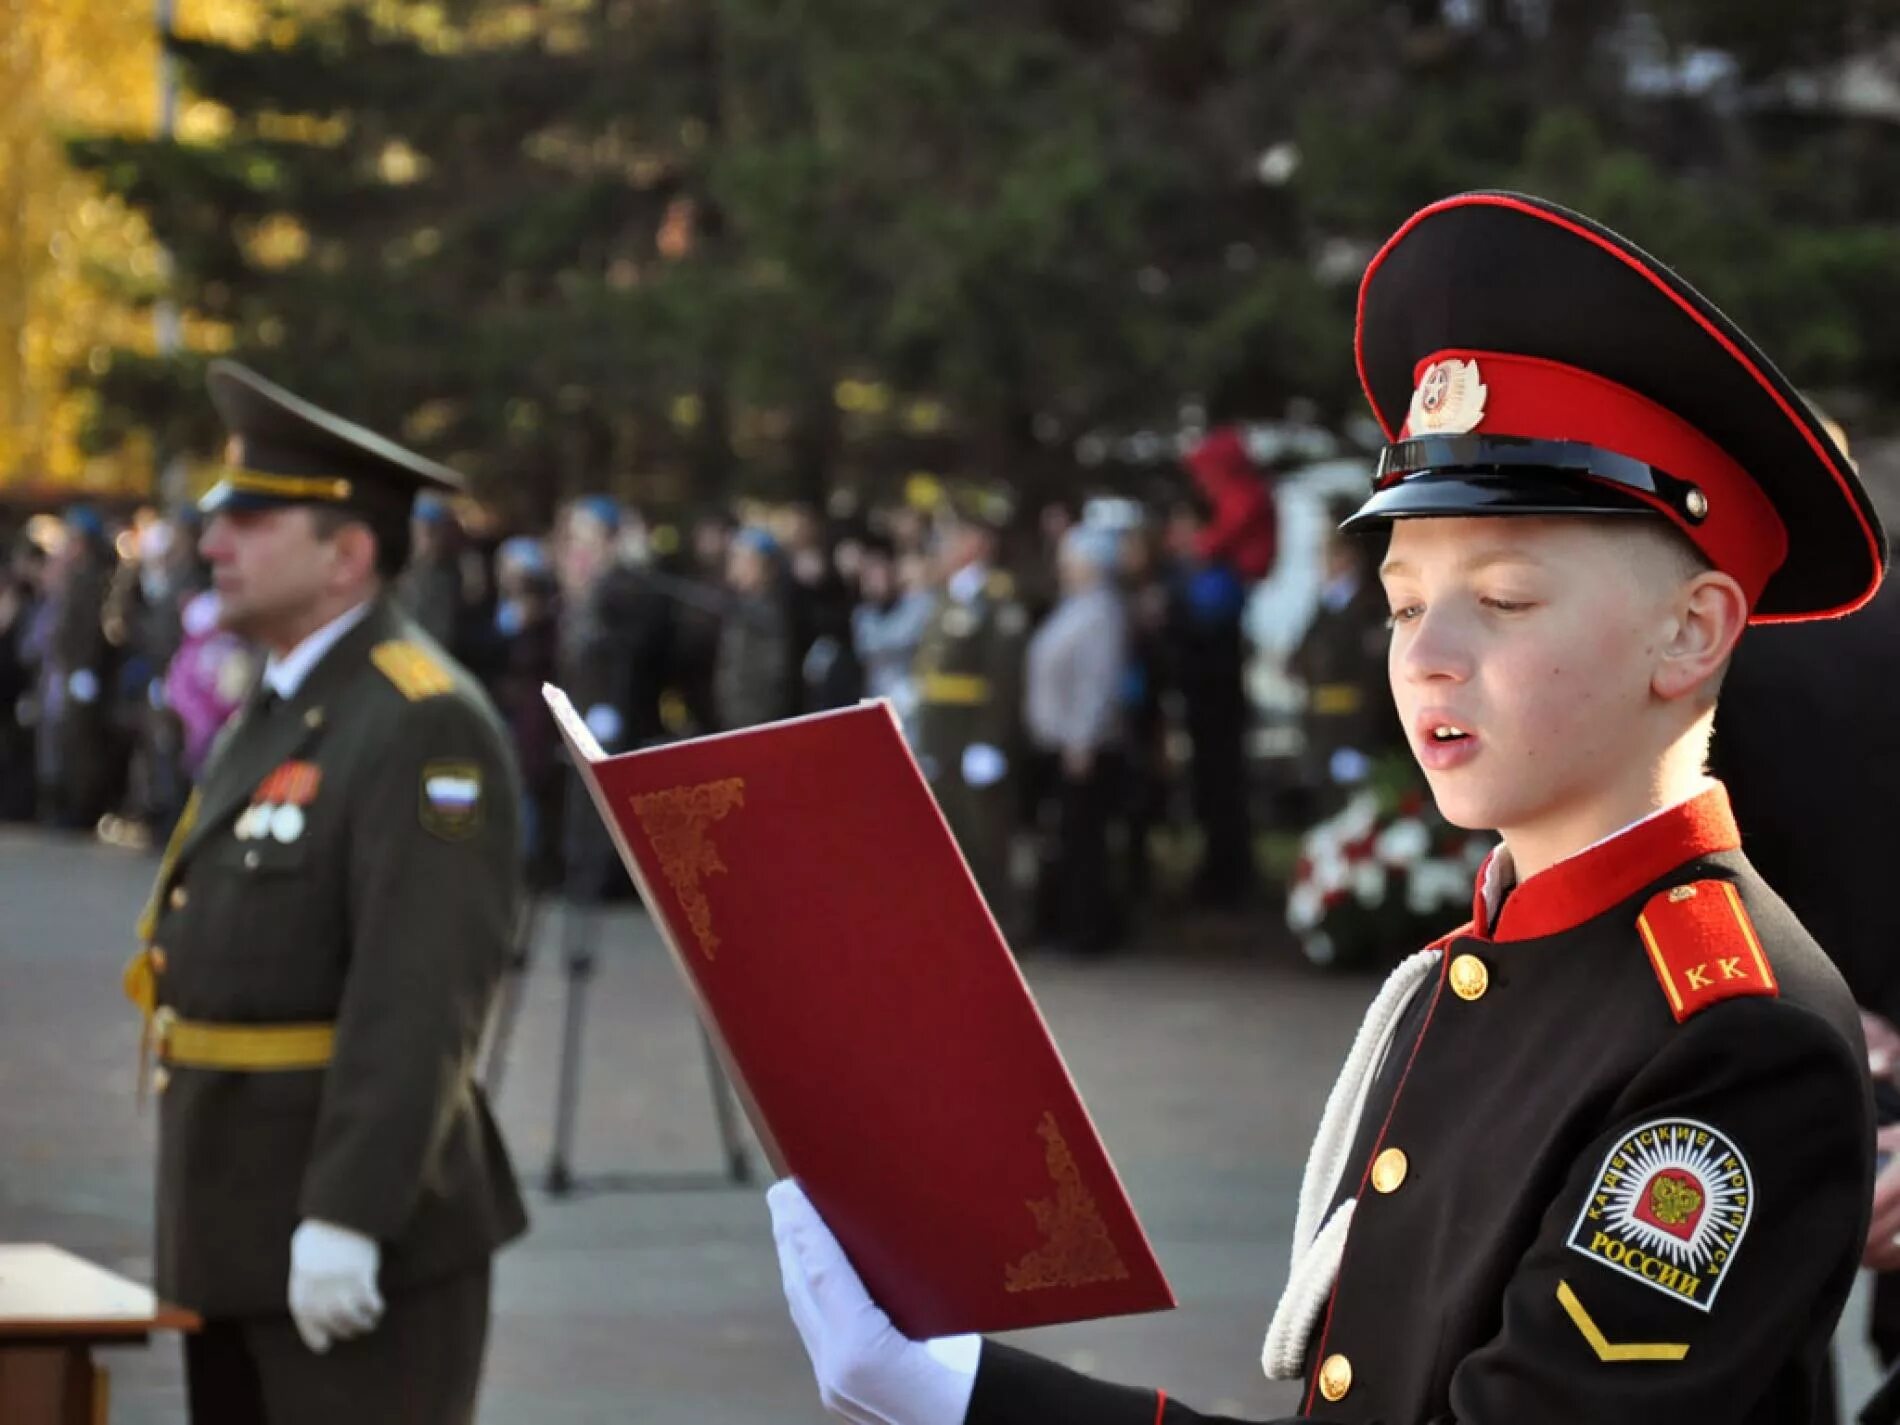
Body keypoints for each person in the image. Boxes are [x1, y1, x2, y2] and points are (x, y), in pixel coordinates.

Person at [766, 191, 1883, 1424]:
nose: (1425, 656)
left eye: (1502, 599)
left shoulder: (1730, 1039)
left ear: (1690, 630)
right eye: (1405, 602)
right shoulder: (1493, 959)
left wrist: (981, 1401)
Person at [122, 360, 528, 1425]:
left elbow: (422, 989)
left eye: (249, 522)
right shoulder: (283, 703)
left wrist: (348, 1214)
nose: (213, 543)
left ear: (347, 553)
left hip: (353, 1236)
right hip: (233, 1224)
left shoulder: (420, 718)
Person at [911, 507, 1029, 932]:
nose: (942, 549)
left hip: (974, 734)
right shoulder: (948, 597)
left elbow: (1004, 677)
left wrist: (991, 741)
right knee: (952, 834)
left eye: (952, 539)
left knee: (987, 837)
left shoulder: (997, 600)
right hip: (942, 738)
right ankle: (965, 927)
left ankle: (1003, 925)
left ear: (977, 545)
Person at [1023, 524, 1128, 954]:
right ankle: (1064, 922)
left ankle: (1087, 931)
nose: (1065, 566)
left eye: (1073, 558)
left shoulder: (1101, 612)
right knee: (1064, 838)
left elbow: (1097, 684)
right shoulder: (1076, 607)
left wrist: (1082, 739)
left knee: (1083, 842)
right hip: (1057, 742)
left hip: (1082, 748)